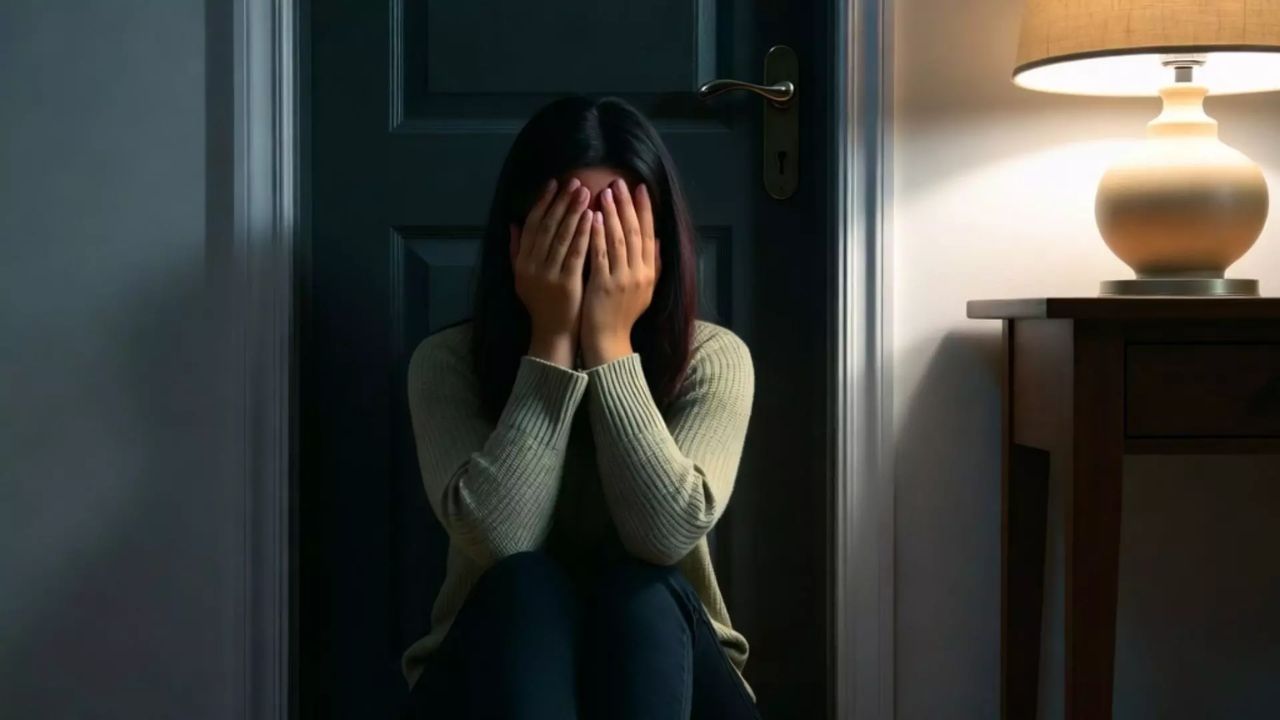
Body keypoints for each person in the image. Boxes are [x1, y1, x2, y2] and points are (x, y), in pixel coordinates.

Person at [400, 95, 759, 720]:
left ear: (657, 244)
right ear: (520, 239)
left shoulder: (713, 358)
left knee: (642, 588)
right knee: (525, 585)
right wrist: (551, 342)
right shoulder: (446, 363)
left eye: (617, 228)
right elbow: (501, 540)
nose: (594, 250)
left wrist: (611, 344)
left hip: (677, 671)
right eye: (568, 227)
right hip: (492, 668)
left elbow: (666, 535)